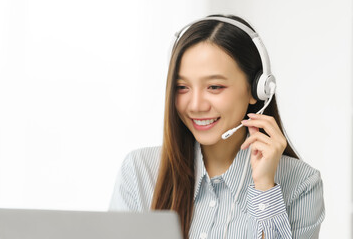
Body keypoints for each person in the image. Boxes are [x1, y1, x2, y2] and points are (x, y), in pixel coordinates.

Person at [109, 14, 325, 239]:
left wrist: (264, 189)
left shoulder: (301, 184)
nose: (195, 105)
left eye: (214, 86)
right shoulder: (139, 172)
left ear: (257, 90)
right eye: (182, 87)